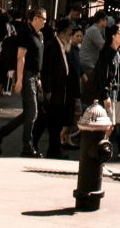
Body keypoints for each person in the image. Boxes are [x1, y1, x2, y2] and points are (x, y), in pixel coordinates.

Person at [0, 6, 46, 157]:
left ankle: (0, 134)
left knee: (29, 113)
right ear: (35, 18)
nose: (45, 22)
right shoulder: (26, 33)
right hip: (27, 75)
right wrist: (19, 80)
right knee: (32, 112)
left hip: (34, 76)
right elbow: (20, 57)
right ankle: (27, 147)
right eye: (43, 19)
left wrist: (38, 78)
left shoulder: (38, 34)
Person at [38, 18, 74, 158]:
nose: (70, 37)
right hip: (54, 91)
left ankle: (53, 149)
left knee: (54, 121)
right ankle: (52, 150)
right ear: (63, 33)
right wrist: (47, 90)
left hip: (61, 91)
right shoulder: (52, 46)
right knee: (52, 122)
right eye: (69, 34)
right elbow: (46, 70)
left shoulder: (63, 46)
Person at [94, 23, 120, 156]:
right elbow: (102, 75)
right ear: (113, 36)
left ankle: (102, 146)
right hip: (109, 93)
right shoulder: (107, 52)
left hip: (117, 92)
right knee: (107, 124)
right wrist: (105, 95)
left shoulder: (117, 53)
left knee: (112, 124)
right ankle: (99, 148)